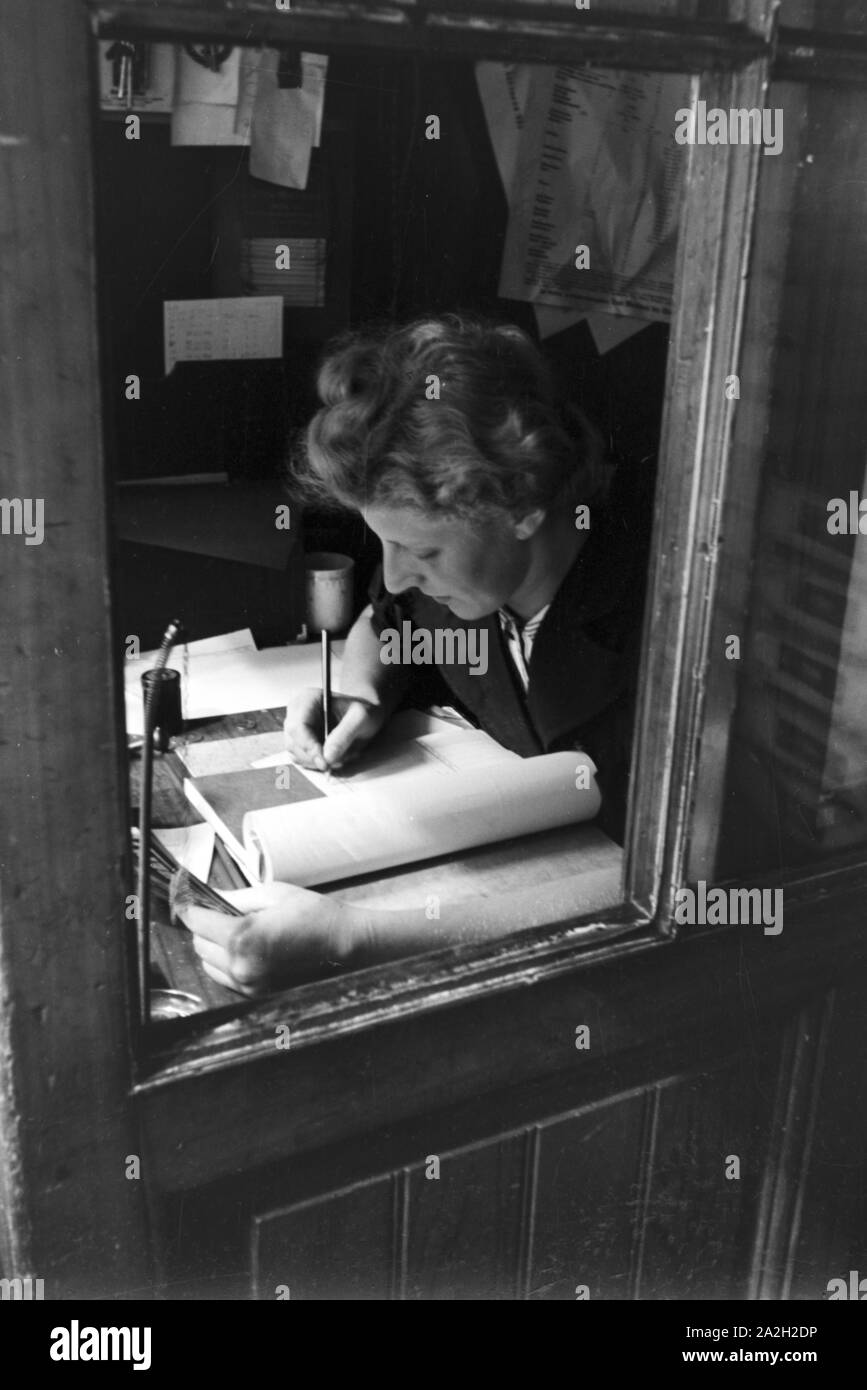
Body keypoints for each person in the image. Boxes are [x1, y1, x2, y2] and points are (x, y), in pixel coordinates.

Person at [180, 315, 653, 995]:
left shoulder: (658, 619)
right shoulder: (466, 576)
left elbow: (662, 878)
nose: (397, 573)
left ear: (521, 507)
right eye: (386, 544)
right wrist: (360, 688)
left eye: (422, 551)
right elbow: (390, 614)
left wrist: (358, 940)